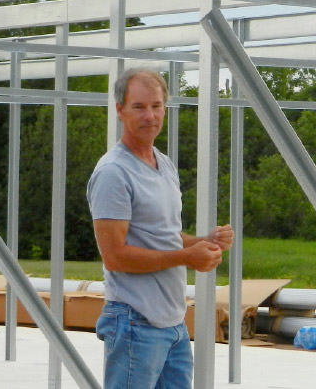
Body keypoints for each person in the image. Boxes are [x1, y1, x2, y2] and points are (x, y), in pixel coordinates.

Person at [88, 67, 234, 389]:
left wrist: (204, 242)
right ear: (120, 110)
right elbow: (115, 256)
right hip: (134, 321)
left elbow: (165, 234)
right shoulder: (114, 172)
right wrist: (186, 257)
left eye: (156, 106)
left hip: (172, 323)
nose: (149, 115)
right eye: (139, 107)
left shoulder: (163, 164)